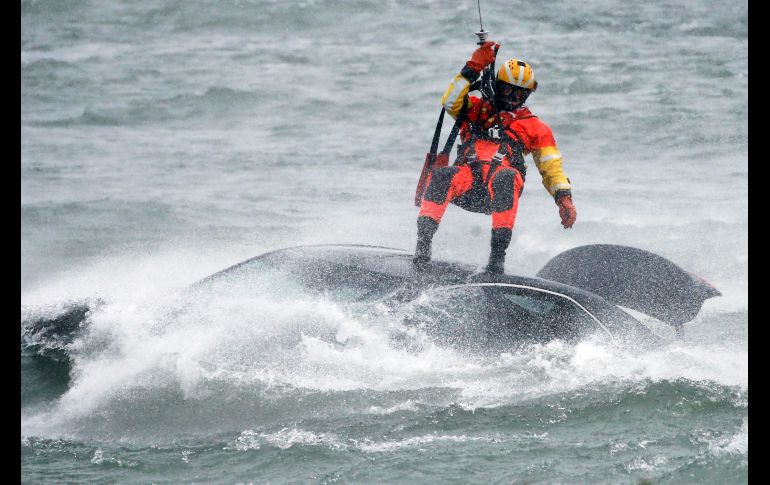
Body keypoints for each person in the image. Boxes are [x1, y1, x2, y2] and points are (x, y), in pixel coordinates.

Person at [413, 40, 577, 274]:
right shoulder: (475, 108)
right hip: (467, 184)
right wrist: (472, 67)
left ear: (527, 94)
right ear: (498, 85)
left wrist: (564, 199)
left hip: (501, 189)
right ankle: (422, 249)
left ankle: (496, 261)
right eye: (508, 90)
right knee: (441, 176)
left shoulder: (536, 127)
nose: (513, 97)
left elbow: (552, 169)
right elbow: (449, 101)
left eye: (519, 93)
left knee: (505, 177)